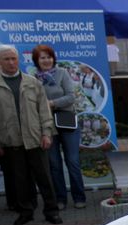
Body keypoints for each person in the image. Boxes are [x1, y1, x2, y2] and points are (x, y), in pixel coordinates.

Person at [0, 45, 61, 225]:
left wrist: (47, 133)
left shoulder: (32, 82)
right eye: (6, 59)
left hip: (35, 139)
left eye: (13, 59)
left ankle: (52, 211)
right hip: (11, 141)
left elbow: (43, 111)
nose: (11, 62)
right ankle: (26, 211)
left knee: (45, 178)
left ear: (18, 60)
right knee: (20, 180)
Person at [32, 44, 86, 210]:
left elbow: (71, 97)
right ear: (37, 61)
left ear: (53, 58)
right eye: (42, 58)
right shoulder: (33, 79)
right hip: (47, 125)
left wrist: (51, 103)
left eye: (49, 57)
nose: (46, 60)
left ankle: (79, 197)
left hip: (67, 122)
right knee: (54, 164)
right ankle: (60, 198)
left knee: (73, 161)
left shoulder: (62, 73)